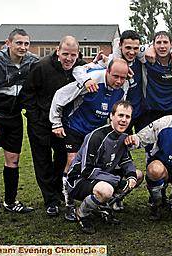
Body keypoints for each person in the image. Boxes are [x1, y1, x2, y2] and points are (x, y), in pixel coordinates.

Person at [50, 58, 129, 221]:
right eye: (115, 76)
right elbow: (60, 95)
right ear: (107, 72)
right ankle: (69, 203)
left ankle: (96, 199)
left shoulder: (123, 87)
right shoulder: (91, 79)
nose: (119, 81)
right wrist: (56, 123)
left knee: (95, 165)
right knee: (72, 162)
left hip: (95, 132)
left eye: (123, 77)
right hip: (75, 126)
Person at [0, 28, 38, 223]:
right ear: (8, 43)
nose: (23, 47)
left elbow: (53, 63)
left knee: (13, 160)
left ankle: (10, 202)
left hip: (14, 118)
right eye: (19, 43)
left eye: (26, 44)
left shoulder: (31, 61)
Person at [21, 36, 86, 218]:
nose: (69, 59)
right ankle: (49, 200)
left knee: (61, 159)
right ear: (58, 51)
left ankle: (58, 192)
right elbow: (27, 95)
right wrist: (34, 118)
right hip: (40, 123)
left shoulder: (79, 67)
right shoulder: (41, 67)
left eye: (73, 55)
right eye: (65, 54)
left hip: (64, 125)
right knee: (42, 162)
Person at [67, 100, 143, 234]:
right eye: (120, 115)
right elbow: (86, 171)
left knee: (138, 175)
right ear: (111, 116)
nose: (123, 120)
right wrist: (117, 181)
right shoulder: (96, 137)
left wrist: (131, 176)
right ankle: (82, 213)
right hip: (78, 180)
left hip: (101, 176)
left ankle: (103, 205)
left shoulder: (123, 137)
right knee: (106, 190)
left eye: (127, 117)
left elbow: (126, 161)